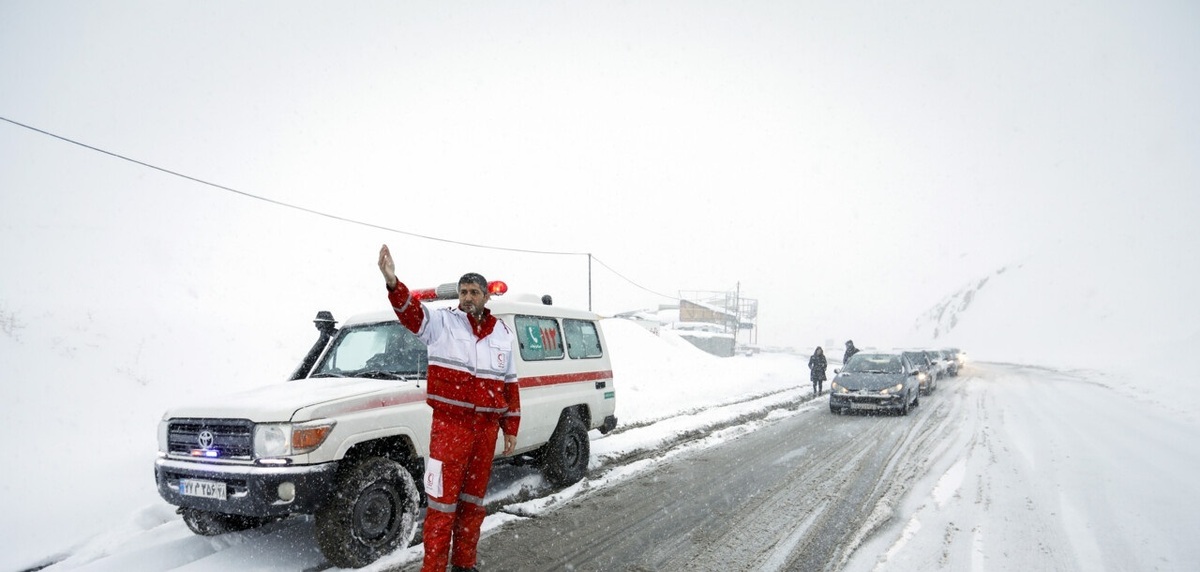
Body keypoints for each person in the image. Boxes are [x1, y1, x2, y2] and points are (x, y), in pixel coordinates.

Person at [377, 244, 519, 572]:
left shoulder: (502, 334)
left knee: (472, 505)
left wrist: (509, 426)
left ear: (486, 297)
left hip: (484, 432)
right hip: (449, 429)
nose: (467, 297)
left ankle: (464, 565)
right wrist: (393, 283)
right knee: (442, 508)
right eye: (463, 291)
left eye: (474, 292)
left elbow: (509, 384)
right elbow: (412, 314)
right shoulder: (441, 324)